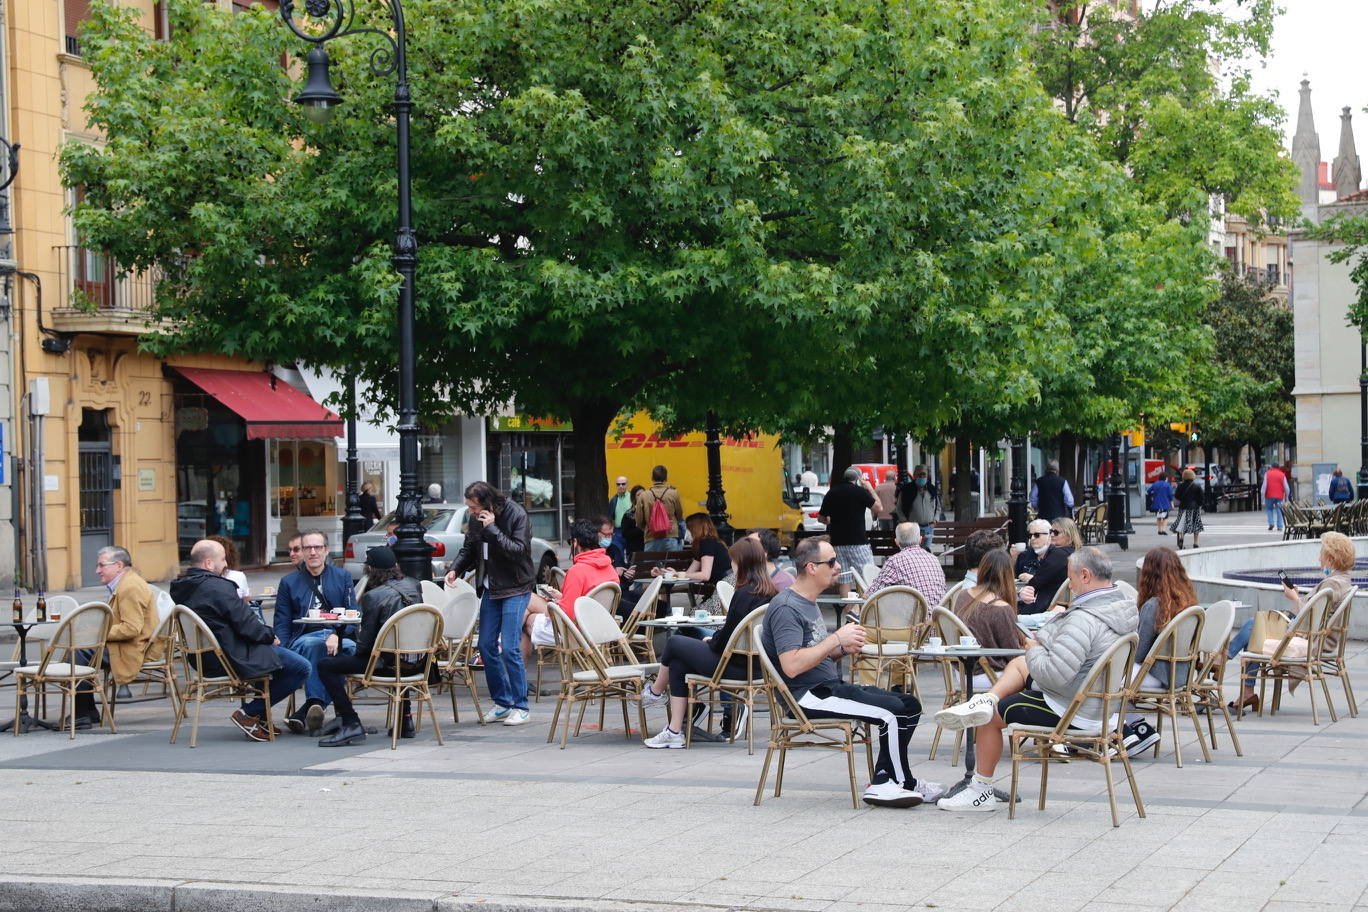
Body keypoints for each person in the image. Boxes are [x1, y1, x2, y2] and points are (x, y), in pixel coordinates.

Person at [936, 547, 1137, 812]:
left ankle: (980, 791)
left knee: (990, 717)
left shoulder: (1084, 619)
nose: (1070, 585)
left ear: (1086, 575)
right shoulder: (1121, 610)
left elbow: (1054, 675)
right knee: (1019, 666)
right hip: (1100, 706)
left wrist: (1035, 649)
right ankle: (986, 699)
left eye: (1071, 578)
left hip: (1071, 709)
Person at [761, 536, 944, 808]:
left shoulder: (807, 601)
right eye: (832, 562)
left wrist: (842, 649)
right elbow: (792, 665)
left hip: (827, 687)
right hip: (806, 696)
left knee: (909, 704)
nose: (838, 567)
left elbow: (813, 653)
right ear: (812, 568)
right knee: (892, 711)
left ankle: (892, 779)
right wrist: (836, 639)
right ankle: (892, 783)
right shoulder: (788, 607)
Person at [641, 537, 776, 747]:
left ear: (741, 563)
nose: (731, 566)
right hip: (759, 667)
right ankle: (674, 731)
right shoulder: (771, 592)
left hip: (734, 666)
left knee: (675, 642)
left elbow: (727, 639)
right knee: (677, 663)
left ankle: (655, 691)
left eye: (733, 561)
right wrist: (715, 640)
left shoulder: (743, 594)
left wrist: (711, 640)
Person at [171, 539, 310, 742]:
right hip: (230, 658)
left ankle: (258, 717)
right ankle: (249, 713)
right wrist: (270, 636)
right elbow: (247, 624)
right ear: (209, 563)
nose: (226, 564)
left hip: (203, 659)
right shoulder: (217, 587)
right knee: (301, 667)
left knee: (277, 660)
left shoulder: (180, 588)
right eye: (222, 559)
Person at [1225, 531, 1355, 713]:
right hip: (1315, 635)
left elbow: (1311, 617)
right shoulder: (1341, 580)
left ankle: (1222, 660)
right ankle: (1243, 687)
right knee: (1256, 626)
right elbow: (1316, 612)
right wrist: (1299, 597)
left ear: (1331, 558)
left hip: (1312, 639)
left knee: (1254, 627)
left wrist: (1294, 597)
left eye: (1321, 554)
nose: (1319, 558)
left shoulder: (1332, 584)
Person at [445, 480, 535, 726]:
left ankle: (521, 705)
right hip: (490, 587)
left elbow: (519, 550)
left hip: (515, 586)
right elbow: (469, 548)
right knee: (485, 645)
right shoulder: (476, 519)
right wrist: (456, 569)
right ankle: (502, 702)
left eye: (474, 507)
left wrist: (493, 529)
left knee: (510, 647)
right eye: (469, 508)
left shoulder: (516, 514)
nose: (471, 512)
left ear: (487, 503)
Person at [316, 545, 422, 746]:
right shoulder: (415, 585)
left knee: (326, 665)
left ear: (371, 569)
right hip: (418, 662)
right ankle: (405, 721)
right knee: (399, 649)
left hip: (387, 665)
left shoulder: (373, 596)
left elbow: (364, 646)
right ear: (395, 566)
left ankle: (351, 722)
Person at [273, 529, 359, 735]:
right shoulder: (289, 582)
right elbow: (282, 622)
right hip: (304, 638)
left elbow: (353, 614)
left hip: (338, 637)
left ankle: (311, 707)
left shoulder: (342, 577)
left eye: (317, 547)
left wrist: (337, 635)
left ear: (326, 550)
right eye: (308, 548)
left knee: (349, 648)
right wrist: (282, 651)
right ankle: (319, 706)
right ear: (302, 551)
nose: (313, 552)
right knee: (315, 645)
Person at [1121, 546, 1199, 756]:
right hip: (1179, 674)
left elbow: (1139, 654)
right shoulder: (1187, 603)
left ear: (1149, 573)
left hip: (1156, 674)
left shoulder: (1154, 605)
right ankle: (1139, 728)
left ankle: (1126, 732)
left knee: (1105, 678)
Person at [72, 546, 161, 727]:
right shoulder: (125, 583)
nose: (97, 571)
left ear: (119, 565)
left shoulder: (129, 587)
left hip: (134, 648)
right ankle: (88, 712)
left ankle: (83, 714)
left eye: (101, 565)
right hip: (128, 644)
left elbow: (131, 628)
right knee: (79, 650)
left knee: (78, 653)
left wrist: (98, 634)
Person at [526, 518, 620, 660]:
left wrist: (554, 604)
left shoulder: (577, 571)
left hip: (576, 633)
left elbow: (567, 614)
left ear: (575, 542)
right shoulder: (610, 568)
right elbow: (588, 599)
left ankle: (505, 650)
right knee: (526, 612)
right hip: (601, 629)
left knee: (527, 605)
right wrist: (561, 598)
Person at [952, 548, 1025, 687]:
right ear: (1008, 575)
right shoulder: (1001, 608)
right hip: (989, 672)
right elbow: (1014, 654)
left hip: (962, 671)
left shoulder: (963, 595)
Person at [655, 513, 733, 615]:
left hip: (724, 590)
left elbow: (705, 575)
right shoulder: (708, 542)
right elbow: (689, 573)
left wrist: (681, 575)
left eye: (688, 528)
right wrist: (673, 573)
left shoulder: (706, 543)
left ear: (694, 529)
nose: (686, 532)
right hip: (722, 588)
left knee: (694, 614)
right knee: (695, 614)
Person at [819, 467, 877, 597]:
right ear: (858, 478)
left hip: (838, 543)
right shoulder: (860, 491)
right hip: (858, 542)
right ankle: (865, 607)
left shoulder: (832, 492)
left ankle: (847, 608)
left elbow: (821, 518)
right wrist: (870, 488)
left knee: (844, 579)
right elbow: (879, 507)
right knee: (866, 577)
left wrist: (831, 521)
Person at [866, 522, 946, 605]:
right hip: (940, 612)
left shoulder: (895, 561)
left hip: (914, 612)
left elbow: (871, 594)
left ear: (896, 542)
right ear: (920, 540)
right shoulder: (934, 559)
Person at [1016, 519, 1075, 614]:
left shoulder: (1058, 554)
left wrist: (1030, 579)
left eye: (1055, 532)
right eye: (1051, 532)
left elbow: (1036, 582)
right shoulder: (1073, 551)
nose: (1051, 535)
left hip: (1044, 608)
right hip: (1057, 605)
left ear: (1068, 534)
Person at [635, 465, 685, 552]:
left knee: (651, 561)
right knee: (671, 560)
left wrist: (649, 527)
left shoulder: (644, 495)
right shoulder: (673, 493)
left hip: (651, 537)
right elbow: (679, 515)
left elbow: (639, 521)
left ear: (652, 478)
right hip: (670, 535)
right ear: (666, 478)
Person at [896, 465, 939, 549]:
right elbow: (899, 508)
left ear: (927, 476)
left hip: (928, 528)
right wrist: (905, 521)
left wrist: (935, 521)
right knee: (913, 550)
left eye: (924, 475)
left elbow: (938, 507)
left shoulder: (932, 490)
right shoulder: (906, 490)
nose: (922, 477)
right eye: (919, 475)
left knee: (926, 552)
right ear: (914, 476)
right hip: (912, 529)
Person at [208, 534, 250, 602]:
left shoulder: (198, 578)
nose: (225, 564)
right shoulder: (237, 576)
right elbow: (245, 600)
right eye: (222, 559)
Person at [1170, 468, 1204, 550]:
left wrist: (1183, 499)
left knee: (1182, 524)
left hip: (1183, 507)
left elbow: (1177, 496)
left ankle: (1181, 538)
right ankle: (1195, 543)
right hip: (1194, 507)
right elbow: (1201, 497)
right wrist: (1199, 504)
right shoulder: (1197, 486)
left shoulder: (1180, 485)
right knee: (1196, 525)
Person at [1262, 463, 1289, 532]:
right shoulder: (1282, 474)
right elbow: (1286, 488)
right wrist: (1286, 498)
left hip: (1269, 495)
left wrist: (1263, 498)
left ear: (1271, 467)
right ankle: (1280, 526)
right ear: (1278, 467)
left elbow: (1264, 486)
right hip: (1280, 496)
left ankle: (1271, 523)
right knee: (1279, 510)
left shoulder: (1267, 473)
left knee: (1269, 509)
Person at [621, 484, 647, 555]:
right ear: (634, 498)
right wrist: (641, 529)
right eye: (639, 495)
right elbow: (625, 533)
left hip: (649, 547)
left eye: (643, 494)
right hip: (635, 549)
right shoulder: (629, 514)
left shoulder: (650, 511)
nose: (642, 497)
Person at [1147, 471, 1174, 536]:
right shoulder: (1167, 485)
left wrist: (1152, 496)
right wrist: (1172, 503)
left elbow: (1148, 491)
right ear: (1166, 478)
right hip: (1165, 503)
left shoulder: (1155, 484)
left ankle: (1159, 530)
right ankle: (1164, 530)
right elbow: (1170, 495)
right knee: (1165, 518)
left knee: (1158, 517)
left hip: (1156, 503)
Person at [608, 475, 633, 548]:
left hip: (630, 530)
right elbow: (610, 517)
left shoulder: (632, 497)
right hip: (618, 531)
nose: (621, 486)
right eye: (618, 484)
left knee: (630, 552)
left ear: (627, 484)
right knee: (618, 552)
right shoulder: (613, 500)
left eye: (623, 484)